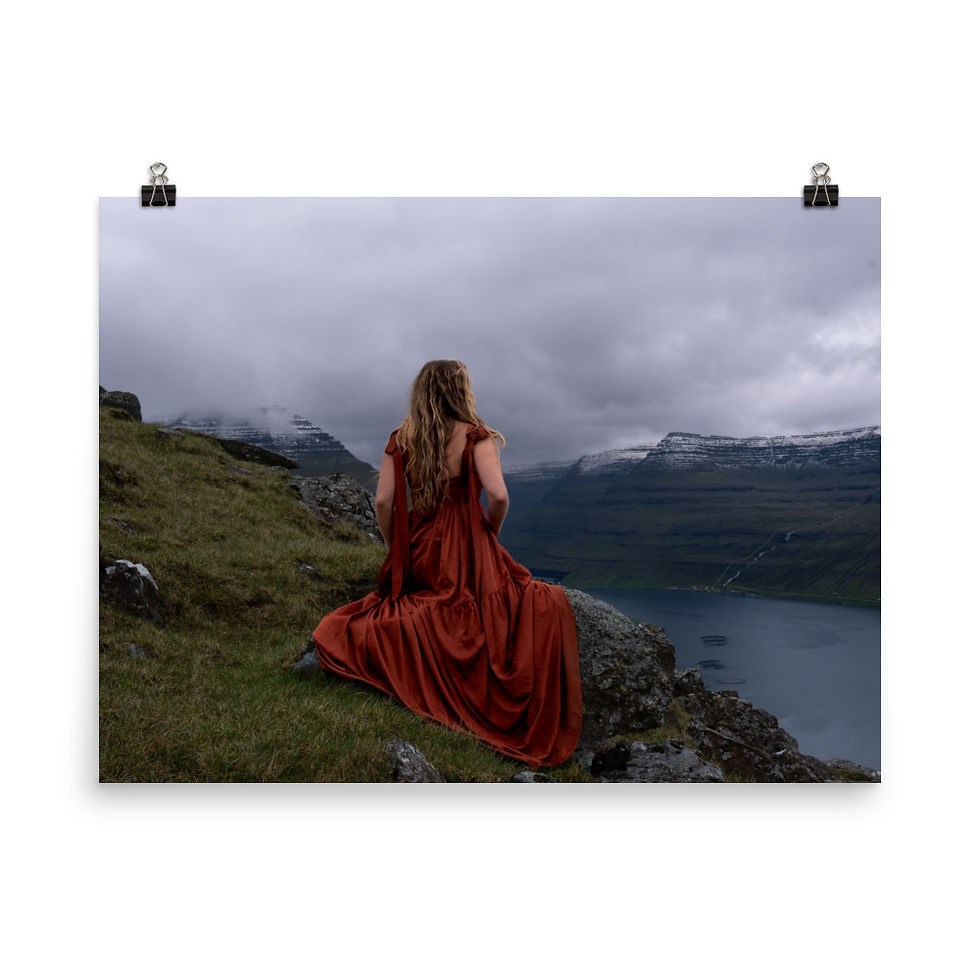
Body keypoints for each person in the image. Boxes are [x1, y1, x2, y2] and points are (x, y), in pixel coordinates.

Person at [312, 359, 582, 767]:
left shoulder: (403, 437)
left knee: (417, 604)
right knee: (514, 601)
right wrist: (488, 534)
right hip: (469, 542)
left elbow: (384, 502)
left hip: (421, 543)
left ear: (422, 391)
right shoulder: (476, 436)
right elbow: (498, 496)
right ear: (461, 391)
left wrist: (397, 547)